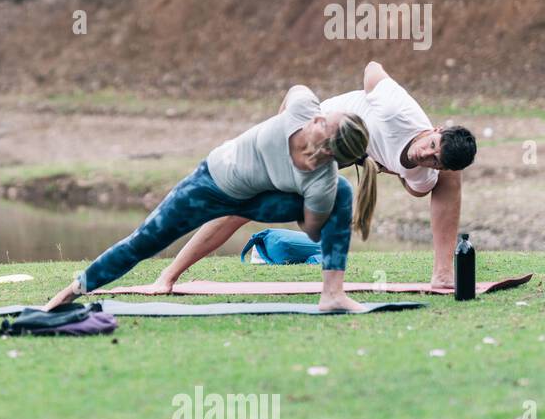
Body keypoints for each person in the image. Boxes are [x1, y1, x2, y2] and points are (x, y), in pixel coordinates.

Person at [145, 61, 477, 292]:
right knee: (243, 205)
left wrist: (379, 163)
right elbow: (372, 68)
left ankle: (443, 275)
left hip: (351, 156)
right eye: (431, 145)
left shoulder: (426, 171)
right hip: (324, 134)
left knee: (452, 179)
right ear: (435, 129)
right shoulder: (397, 109)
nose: (426, 154)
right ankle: (168, 275)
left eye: (435, 160)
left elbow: (418, 189)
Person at [44, 86, 373, 312]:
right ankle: (68, 293)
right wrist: (277, 128)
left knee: (342, 192)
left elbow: (315, 229)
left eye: (323, 124)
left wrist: (311, 202)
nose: (317, 117)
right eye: (322, 115)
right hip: (210, 185)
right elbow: (295, 89)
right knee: (143, 242)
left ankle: (333, 295)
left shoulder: (322, 181)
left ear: (329, 150)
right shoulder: (302, 109)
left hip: (257, 199)